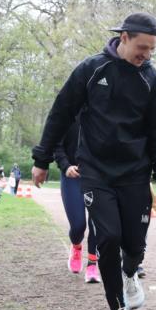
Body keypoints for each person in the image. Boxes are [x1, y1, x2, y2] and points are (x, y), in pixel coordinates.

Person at [31, 12, 156, 310]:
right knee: (108, 238)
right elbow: (61, 112)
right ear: (123, 38)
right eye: (142, 47)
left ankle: (129, 273)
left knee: (135, 246)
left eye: (152, 49)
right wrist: (42, 159)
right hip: (96, 171)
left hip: (136, 172)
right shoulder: (91, 70)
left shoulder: (151, 79)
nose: (147, 55)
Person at [54, 121, 100, 283]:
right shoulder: (68, 112)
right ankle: (76, 246)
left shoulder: (100, 111)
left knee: (96, 222)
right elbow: (56, 145)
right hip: (71, 175)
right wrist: (65, 166)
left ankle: (92, 265)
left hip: (96, 176)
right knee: (78, 225)